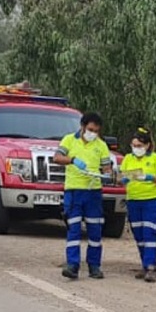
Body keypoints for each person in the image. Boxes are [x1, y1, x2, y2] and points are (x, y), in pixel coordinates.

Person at [54, 112, 116, 280]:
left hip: (93, 192)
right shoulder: (69, 140)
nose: (92, 133)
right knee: (73, 229)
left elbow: (106, 168)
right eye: (90, 129)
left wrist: (108, 174)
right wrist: (72, 160)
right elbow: (57, 157)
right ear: (82, 127)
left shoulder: (101, 145)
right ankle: (73, 265)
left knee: (95, 231)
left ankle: (94, 266)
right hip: (74, 192)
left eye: (96, 131)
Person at [119, 127, 156, 282]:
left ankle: (150, 267)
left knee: (149, 234)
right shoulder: (128, 159)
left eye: (139, 146)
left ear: (147, 145)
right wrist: (126, 177)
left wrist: (149, 177)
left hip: (151, 201)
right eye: (134, 146)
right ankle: (145, 264)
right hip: (133, 200)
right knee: (139, 235)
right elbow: (120, 178)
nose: (136, 149)